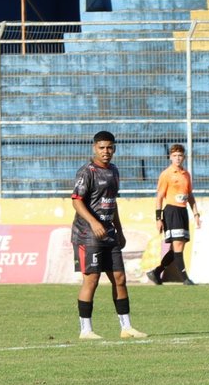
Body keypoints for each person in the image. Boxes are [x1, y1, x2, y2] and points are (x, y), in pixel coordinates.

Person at [71, 130, 147, 340]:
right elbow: (76, 200)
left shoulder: (113, 170)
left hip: (110, 233)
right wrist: (94, 222)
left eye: (110, 147)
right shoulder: (87, 171)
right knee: (92, 280)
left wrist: (119, 230)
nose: (106, 151)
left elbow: (112, 203)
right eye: (102, 147)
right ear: (94, 148)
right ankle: (85, 330)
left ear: (114, 148)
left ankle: (127, 327)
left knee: (120, 279)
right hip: (88, 234)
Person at [148, 143, 201, 285]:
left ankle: (156, 272)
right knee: (177, 246)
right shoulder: (166, 174)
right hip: (171, 211)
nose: (178, 158)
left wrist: (196, 214)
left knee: (178, 248)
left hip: (183, 211)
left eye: (180, 155)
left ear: (184, 157)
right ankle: (185, 279)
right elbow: (159, 197)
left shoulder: (186, 174)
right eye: (175, 156)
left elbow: (189, 195)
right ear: (170, 157)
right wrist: (158, 218)